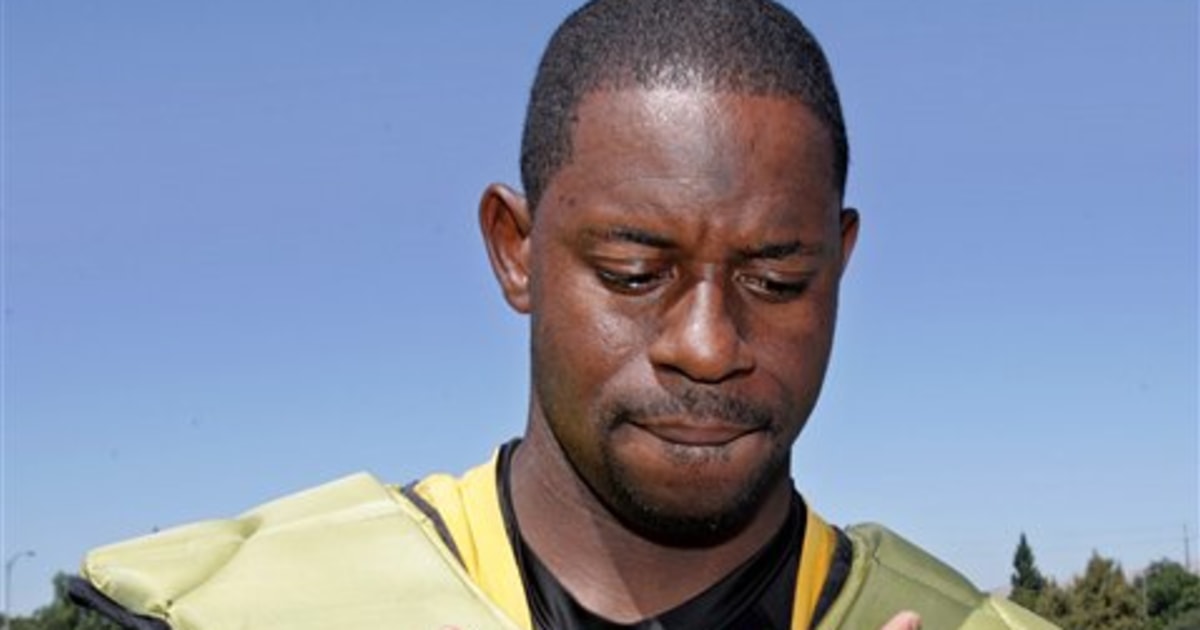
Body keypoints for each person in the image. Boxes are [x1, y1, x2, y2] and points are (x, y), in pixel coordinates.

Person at [69, 1, 1058, 628]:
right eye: (634, 272)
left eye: (776, 280)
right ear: (516, 250)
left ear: (839, 265)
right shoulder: (246, 612)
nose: (707, 345)